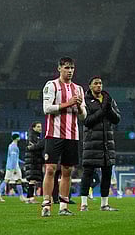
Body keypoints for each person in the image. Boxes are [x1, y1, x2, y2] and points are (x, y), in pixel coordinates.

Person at [41, 56, 87, 217]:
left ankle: (63, 206)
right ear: (59, 68)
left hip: (72, 135)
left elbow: (83, 116)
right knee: (51, 169)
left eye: (72, 68)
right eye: (66, 68)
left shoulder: (79, 89)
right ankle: (46, 205)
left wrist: (80, 107)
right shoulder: (51, 85)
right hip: (54, 134)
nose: (70, 71)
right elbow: (47, 108)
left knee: (67, 171)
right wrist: (69, 103)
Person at [80, 76, 121, 212]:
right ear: (90, 86)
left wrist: (108, 108)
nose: (99, 85)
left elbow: (117, 119)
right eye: (96, 83)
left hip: (107, 143)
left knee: (107, 173)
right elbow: (87, 121)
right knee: (87, 173)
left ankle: (104, 204)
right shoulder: (85, 101)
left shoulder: (109, 100)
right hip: (91, 143)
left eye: (100, 83)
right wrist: (103, 110)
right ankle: (84, 204)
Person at [0, 134, 26, 202]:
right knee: (7, 180)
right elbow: (13, 158)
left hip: (13, 165)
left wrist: (23, 162)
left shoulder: (12, 145)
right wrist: (14, 168)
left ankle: (21, 197)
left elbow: (16, 158)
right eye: (19, 137)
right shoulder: (13, 147)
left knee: (18, 180)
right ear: (17, 138)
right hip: (13, 166)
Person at [25, 122, 45, 204]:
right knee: (32, 180)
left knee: (33, 180)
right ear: (33, 128)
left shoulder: (36, 136)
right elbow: (33, 147)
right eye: (38, 127)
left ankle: (30, 197)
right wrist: (43, 142)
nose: (40, 128)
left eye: (41, 126)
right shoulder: (31, 136)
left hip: (35, 160)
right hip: (32, 160)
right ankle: (30, 198)